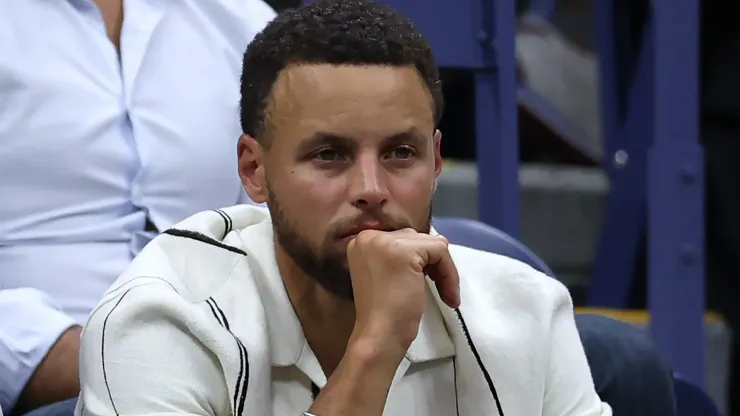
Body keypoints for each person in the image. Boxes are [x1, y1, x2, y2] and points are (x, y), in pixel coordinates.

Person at [76, 1, 674, 415]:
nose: (371, 187)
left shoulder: (530, 312)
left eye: (401, 153)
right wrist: (376, 346)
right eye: (329, 155)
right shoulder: (158, 323)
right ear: (253, 171)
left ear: (438, 162)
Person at [0, 0, 275, 413]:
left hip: (239, 365)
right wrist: (62, 356)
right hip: (43, 376)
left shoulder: (240, 18)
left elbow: (287, 213)